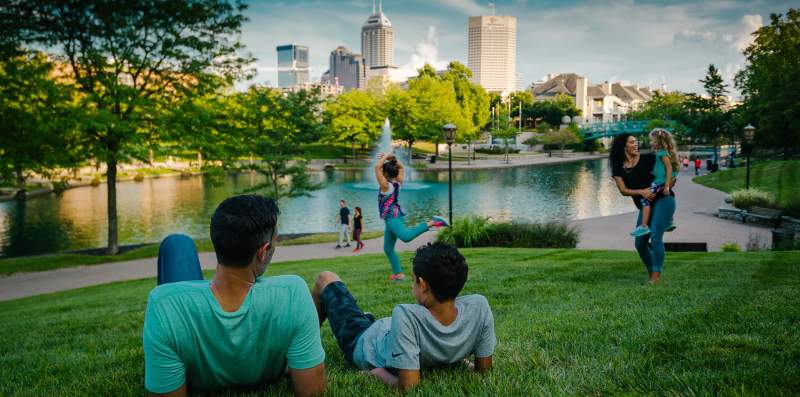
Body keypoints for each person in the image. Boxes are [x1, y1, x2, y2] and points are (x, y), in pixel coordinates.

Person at [143, 195, 326, 397]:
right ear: (263, 251)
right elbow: (313, 392)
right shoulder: (293, 294)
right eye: (276, 241)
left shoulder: (165, 306)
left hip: (187, 306)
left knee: (177, 243)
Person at [312, 242, 496, 391]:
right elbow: (483, 369)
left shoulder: (406, 315)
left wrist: (376, 374)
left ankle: (303, 348)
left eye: (412, 279)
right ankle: (366, 317)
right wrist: (456, 360)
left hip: (363, 339)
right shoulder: (479, 306)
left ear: (422, 284)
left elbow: (408, 387)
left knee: (325, 278)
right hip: (385, 329)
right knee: (367, 318)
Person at [609, 134, 677, 284]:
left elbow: (671, 173)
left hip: (663, 200)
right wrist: (641, 192)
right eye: (632, 142)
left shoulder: (649, 158)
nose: (636, 144)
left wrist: (664, 187)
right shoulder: (618, 168)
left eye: (636, 142)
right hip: (645, 206)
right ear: (623, 146)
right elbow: (623, 190)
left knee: (655, 235)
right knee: (640, 243)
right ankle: (651, 270)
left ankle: (655, 277)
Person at [375, 153, 448, 281]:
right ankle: (399, 274)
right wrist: (392, 159)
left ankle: (432, 222)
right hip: (392, 216)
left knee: (406, 237)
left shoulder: (385, 186)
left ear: (386, 174)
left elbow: (377, 167)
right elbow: (401, 167)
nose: (380, 172)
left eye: (383, 171)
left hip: (392, 217)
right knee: (388, 248)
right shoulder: (398, 182)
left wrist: (386, 156)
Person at [631, 128, 678, 237]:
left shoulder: (662, 153)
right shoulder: (661, 152)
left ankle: (643, 226)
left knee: (645, 200)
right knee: (658, 197)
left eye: (653, 140)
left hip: (659, 182)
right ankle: (669, 221)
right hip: (660, 180)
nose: (651, 142)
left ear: (659, 141)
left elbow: (669, 168)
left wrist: (666, 186)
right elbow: (663, 168)